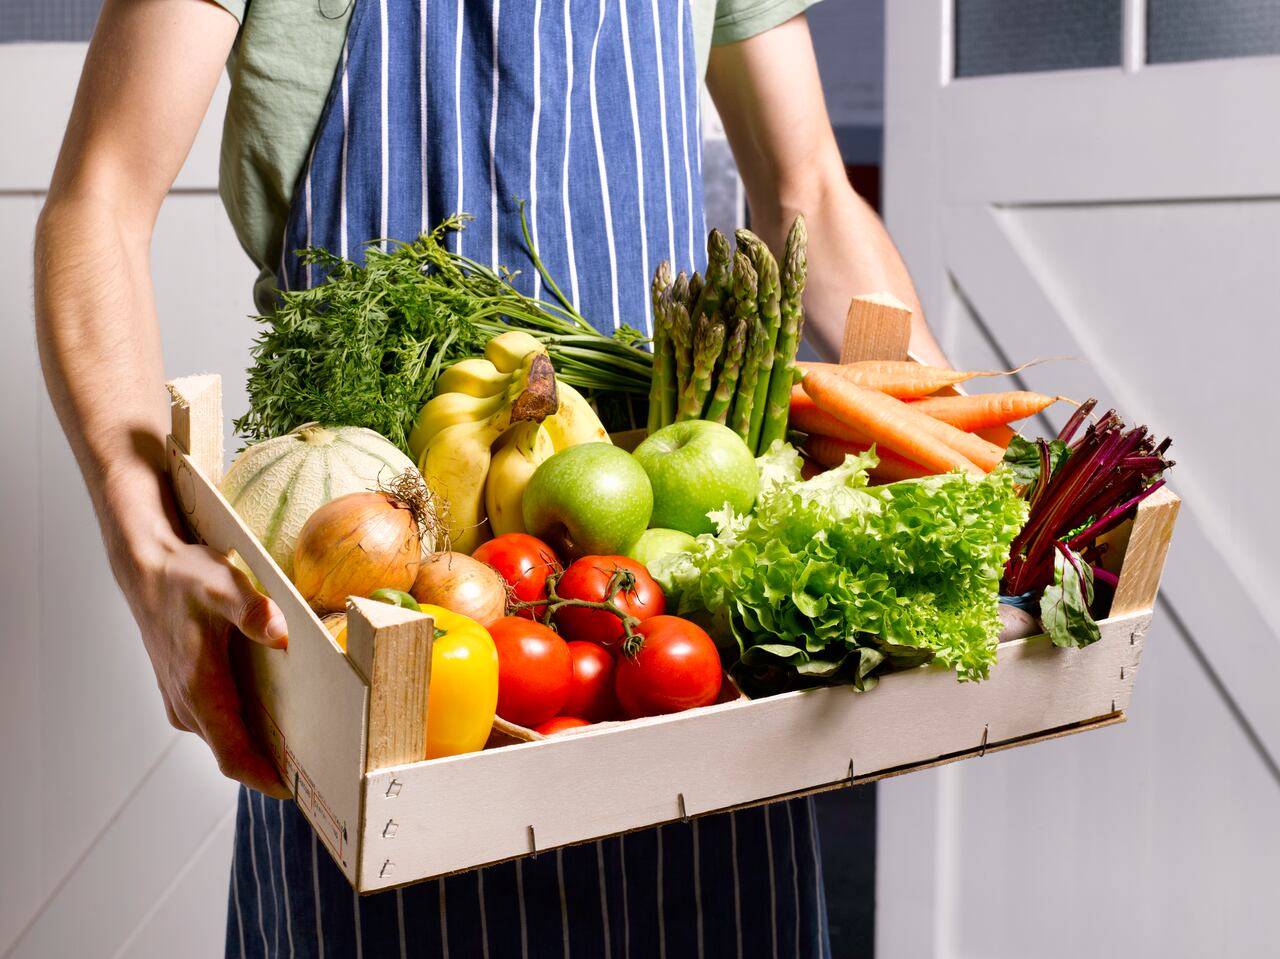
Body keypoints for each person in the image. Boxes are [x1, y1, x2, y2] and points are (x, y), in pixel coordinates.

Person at [35, 0, 940, 956]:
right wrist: (142, 540)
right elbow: (98, 202)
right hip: (371, 640)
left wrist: (961, 455)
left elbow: (812, 190)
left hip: (662, 635)